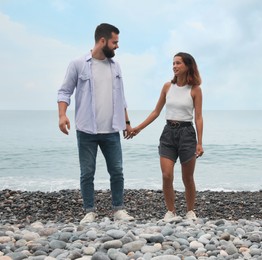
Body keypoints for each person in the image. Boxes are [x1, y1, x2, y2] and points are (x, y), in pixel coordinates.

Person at [57, 23, 134, 224]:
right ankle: (89, 211)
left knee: (117, 171)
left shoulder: (116, 66)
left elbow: (121, 96)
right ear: (102, 41)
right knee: (87, 172)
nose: (117, 46)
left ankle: (118, 209)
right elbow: (64, 92)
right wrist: (62, 115)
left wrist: (126, 121)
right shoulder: (78, 64)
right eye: (114, 42)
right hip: (86, 130)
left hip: (111, 130)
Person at [131, 52, 204, 222]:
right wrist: (138, 128)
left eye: (178, 63)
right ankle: (170, 211)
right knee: (166, 175)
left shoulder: (195, 90)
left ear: (187, 66)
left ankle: (190, 211)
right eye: (173, 63)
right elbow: (156, 112)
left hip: (187, 133)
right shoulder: (167, 87)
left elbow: (198, 117)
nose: (175, 66)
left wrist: (200, 142)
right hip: (168, 133)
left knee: (188, 177)